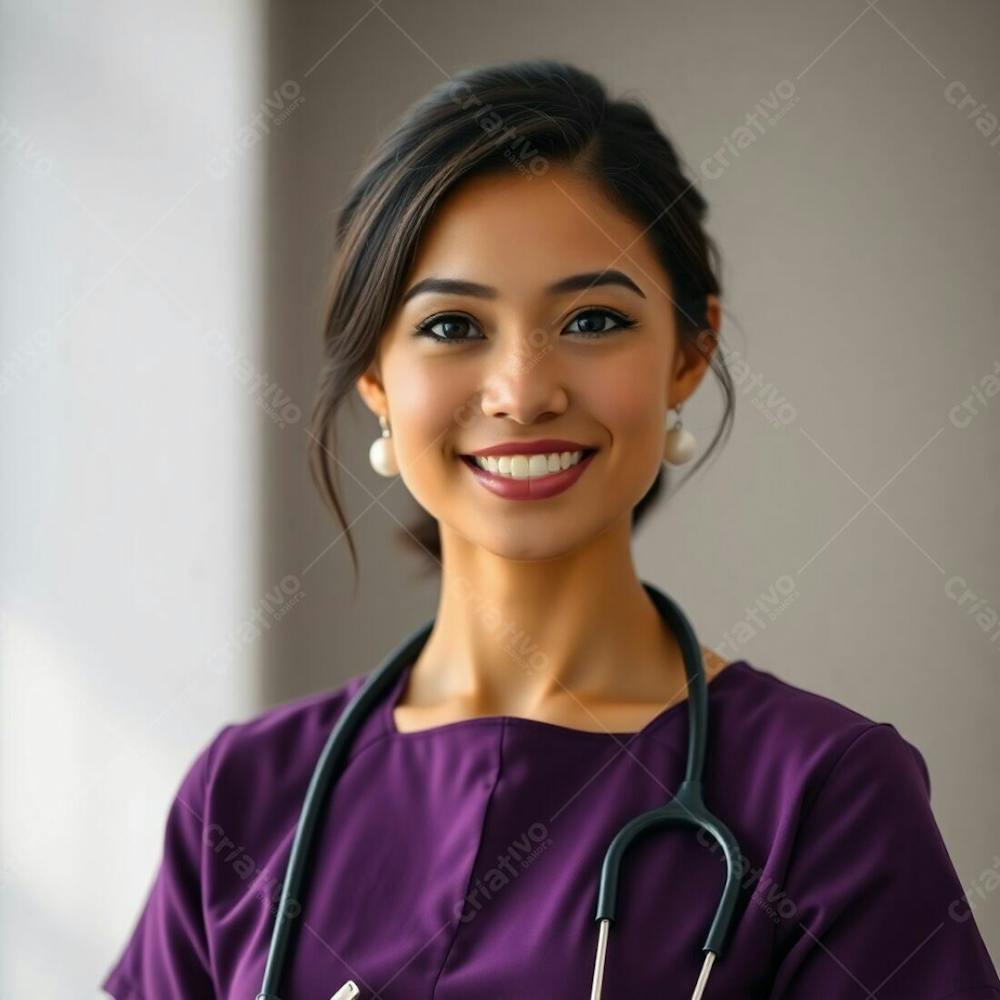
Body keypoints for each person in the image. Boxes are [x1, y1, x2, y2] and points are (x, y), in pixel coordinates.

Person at [101, 59, 1000, 999]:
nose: (524, 393)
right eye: (452, 327)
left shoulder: (824, 796)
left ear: (690, 354)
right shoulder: (240, 802)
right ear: (375, 376)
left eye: (594, 318)